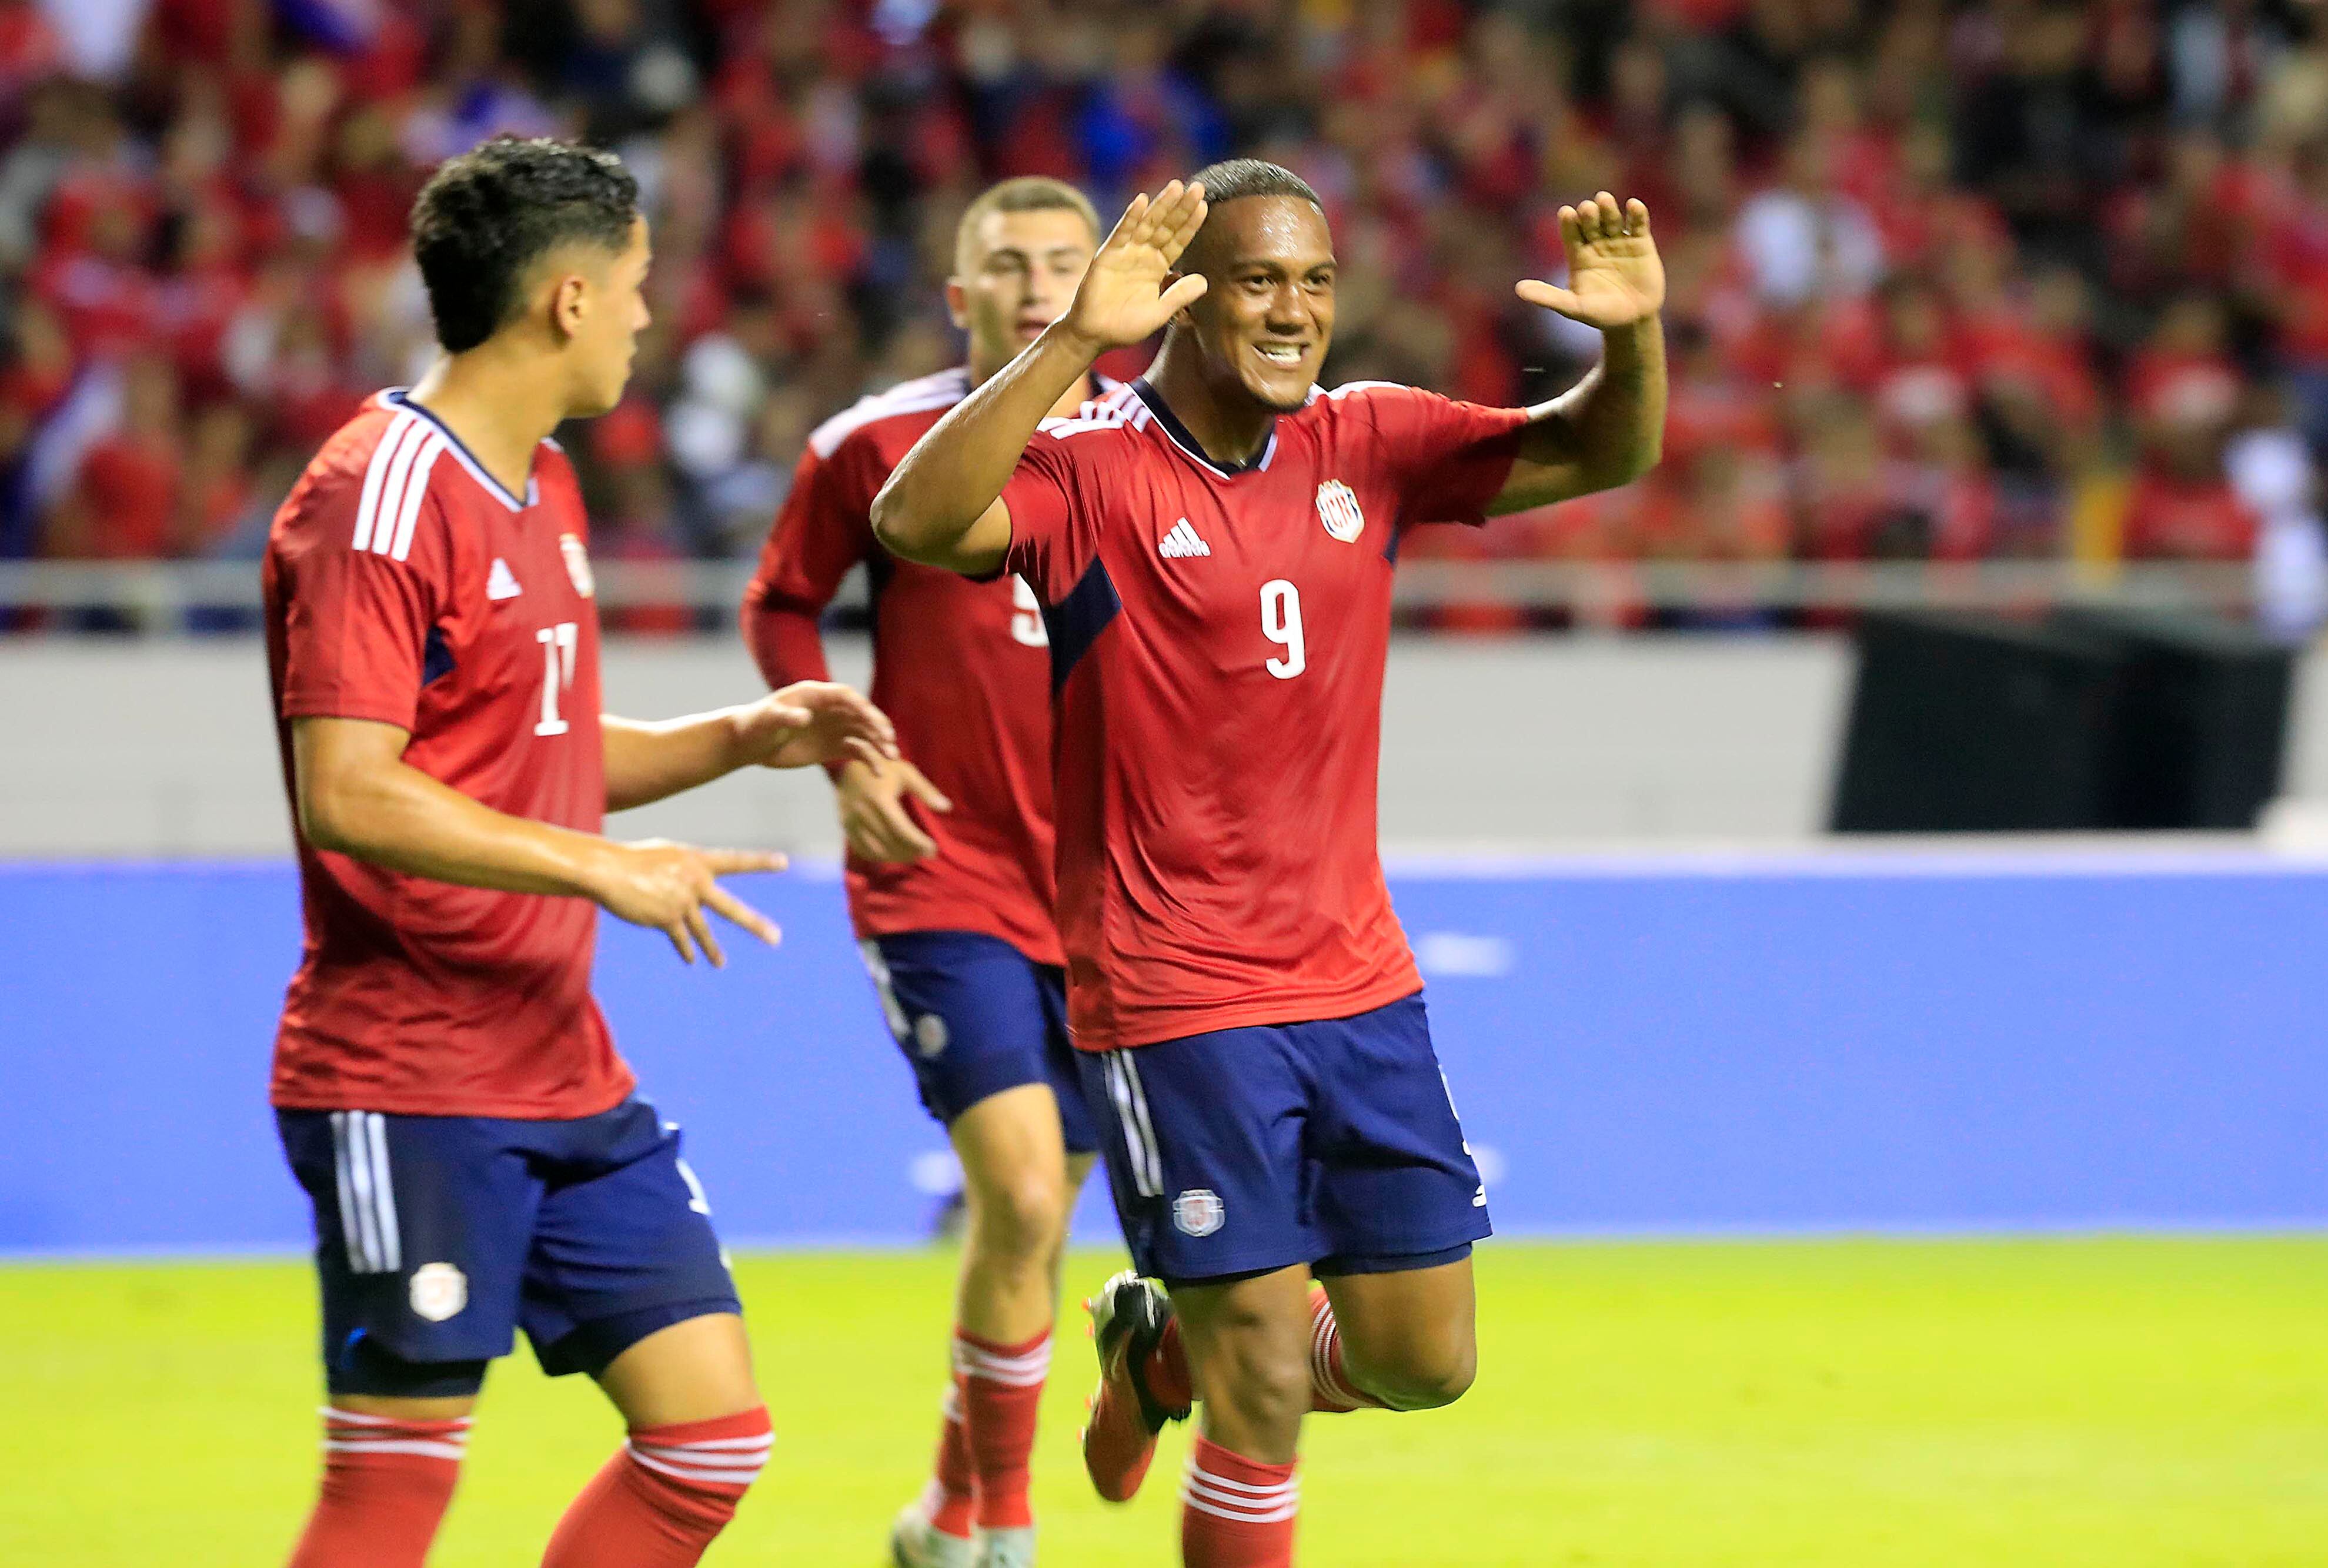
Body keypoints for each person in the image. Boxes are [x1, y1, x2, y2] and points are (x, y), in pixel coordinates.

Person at [871, 161, 1665, 1567]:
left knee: (1424, 1359)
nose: (1294, 312)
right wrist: (1068, 343)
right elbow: (914, 525)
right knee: (1264, 1397)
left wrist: (1634, 337)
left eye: (1314, 283)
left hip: (1357, 982)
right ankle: (1200, 1355)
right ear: (1183, 302)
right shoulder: (1089, 471)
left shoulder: (1372, 441)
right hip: (1175, 995)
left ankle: (1160, 1348)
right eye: (1256, 282)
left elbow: (1600, 453)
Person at [262, 135, 898, 1568]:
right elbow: (350, 790)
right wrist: (603, 868)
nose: (646, 318)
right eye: (636, 285)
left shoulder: (539, 480)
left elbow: (529, 749)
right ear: (564, 297)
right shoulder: (374, 499)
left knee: (709, 1436)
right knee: (391, 1489)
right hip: (408, 1069)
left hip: (558, 1058)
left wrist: (740, 733)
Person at [740, 176, 1111, 1568]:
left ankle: (943, 1508)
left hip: (1107, 896)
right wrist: (842, 746)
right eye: (1005, 265)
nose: (1033, 286)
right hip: (938, 866)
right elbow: (782, 598)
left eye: (1062, 264)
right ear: (958, 297)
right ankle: (1003, 1530)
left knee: (1035, 1219)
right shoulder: (875, 442)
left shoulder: (1158, 449)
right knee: (1018, 1194)